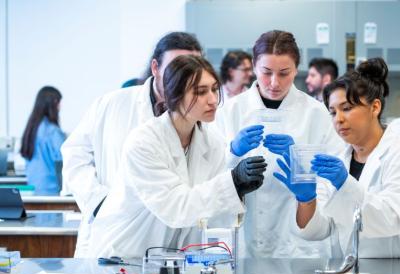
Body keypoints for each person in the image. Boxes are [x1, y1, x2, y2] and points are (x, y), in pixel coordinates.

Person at [86, 55, 267, 258]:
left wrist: (238, 189)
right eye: (200, 92)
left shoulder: (212, 143)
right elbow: (176, 208)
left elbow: (208, 214)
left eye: (214, 89)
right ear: (175, 95)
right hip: (122, 253)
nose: (213, 100)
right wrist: (232, 182)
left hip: (169, 258)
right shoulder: (144, 142)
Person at [274, 58, 400, 258]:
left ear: (375, 107)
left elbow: (390, 220)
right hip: (354, 270)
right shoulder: (338, 158)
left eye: (347, 108)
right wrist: (307, 200)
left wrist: (344, 184)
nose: (338, 119)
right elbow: (323, 228)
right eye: (333, 112)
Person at [62, 32, 203, 257]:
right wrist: (98, 201)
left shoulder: (201, 115)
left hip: (171, 243)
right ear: (155, 68)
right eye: (175, 69)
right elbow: (74, 154)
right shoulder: (113, 104)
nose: (183, 79)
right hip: (112, 238)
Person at [212, 30, 343, 258]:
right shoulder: (230, 111)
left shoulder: (316, 113)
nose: (274, 83)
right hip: (245, 238)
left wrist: (301, 163)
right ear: (254, 66)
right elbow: (207, 177)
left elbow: (334, 175)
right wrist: (232, 153)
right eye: (266, 72)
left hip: (298, 245)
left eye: (284, 73)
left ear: (296, 69)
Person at [21, 86, 66, 195]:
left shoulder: (32, 129)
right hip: (50, 190)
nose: (60, 107)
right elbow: (65, 159)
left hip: (33, 188)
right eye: (59, 102)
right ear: (54, 102)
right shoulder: (53, 132)